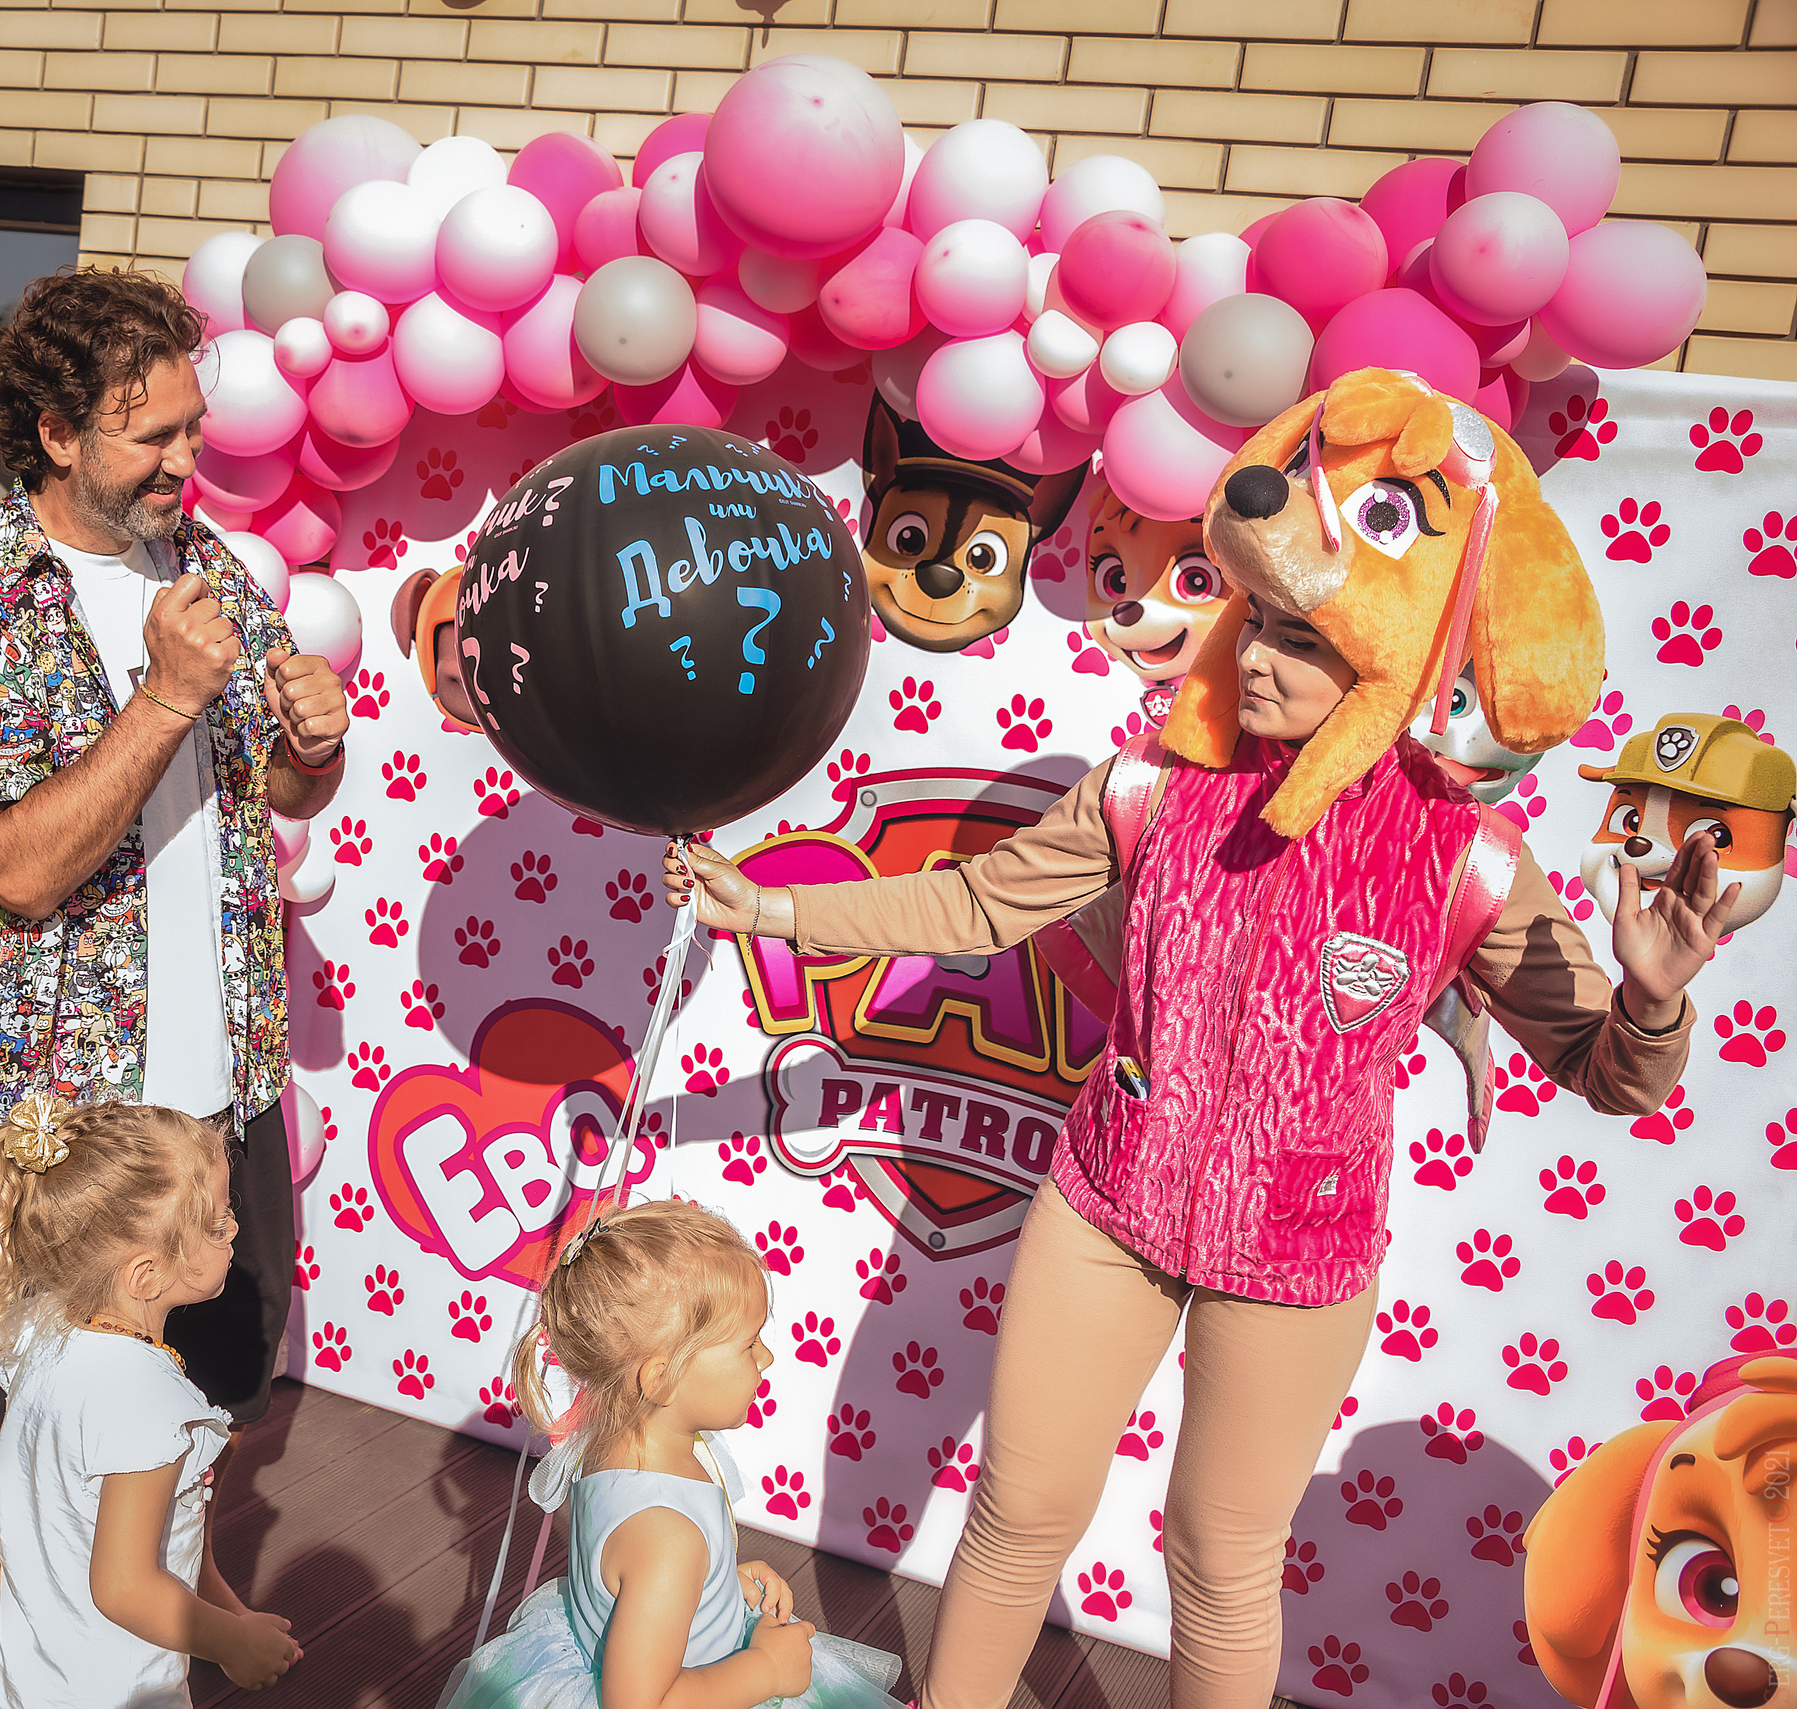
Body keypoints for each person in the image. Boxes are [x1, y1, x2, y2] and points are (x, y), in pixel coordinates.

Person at [662, 379, 1727, 1709]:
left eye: (1307, 639)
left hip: (1299, 1257)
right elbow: (977, 902)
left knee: (1223, 1564)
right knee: (1016, 1510)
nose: (1263, 656)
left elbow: (1610, 1075)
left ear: (1393, 656)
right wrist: (768, 902)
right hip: (1106, 1204)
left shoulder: (1467, 857)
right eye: (1260, 619)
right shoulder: (1147, 788)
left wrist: (1651, 999)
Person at [0, 267, 349, 1709]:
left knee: (217, 1363)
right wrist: (164, 698)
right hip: (56, 1100)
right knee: (14, 1382)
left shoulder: (204, 568)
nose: (186, 462)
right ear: (53, 429)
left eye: (194, 430)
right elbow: (14, 867)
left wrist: (310, 746)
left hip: (222, 1077)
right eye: (153, 436)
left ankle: (163, 1604)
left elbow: (266, 774)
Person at [444, 1200, 904, 1709]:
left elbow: (629, 1585)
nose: (767, 1357)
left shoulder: (611, 1451)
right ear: (661, 1377)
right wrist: (767, 1669)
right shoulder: (667, 1538)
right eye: (749, 1343)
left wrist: (720, 1585)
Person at [0, 1095, 303, 1707]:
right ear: (146, 1274)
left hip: (22, 1676)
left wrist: (229, 1618)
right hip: (115, 1691)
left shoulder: (35, 1327)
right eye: (214, 1222)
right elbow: (126, 1587)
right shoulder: (150, 1405)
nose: (234, 1229)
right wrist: (233, 1643)